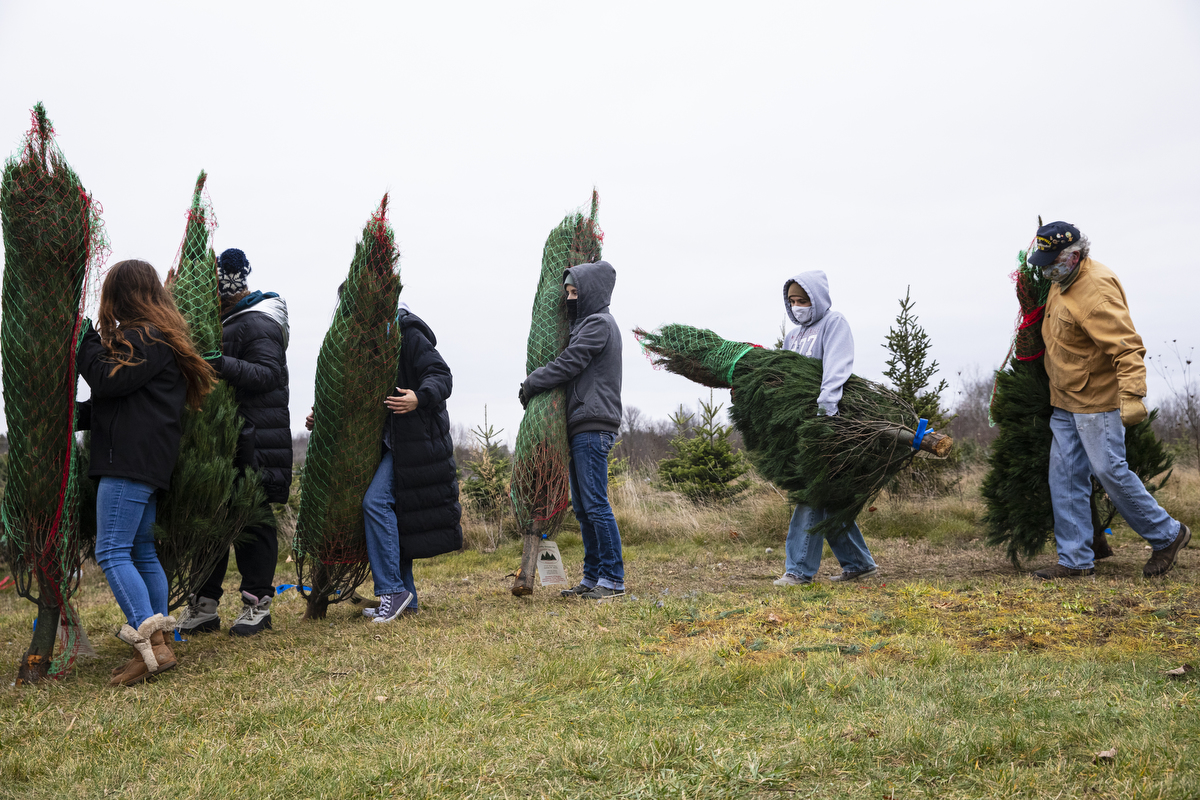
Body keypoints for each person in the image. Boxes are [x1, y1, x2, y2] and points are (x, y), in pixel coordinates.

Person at [76, 259, 216, 686]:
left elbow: (107, 379)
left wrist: (83, 339)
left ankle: (150, 646)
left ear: (125, 296)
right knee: (140, 551)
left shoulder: (144, 336)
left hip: (129, 462)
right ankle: (162, 645)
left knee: (112, 551)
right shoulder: (160, 338)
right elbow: (122, 401)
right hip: (147, 460)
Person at [1030, 221, 1190, 579]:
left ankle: (1168, 534)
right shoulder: (1061, 280)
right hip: (1065, 397)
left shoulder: (1095, 290)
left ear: (1073, 256)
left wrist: (1132, 395)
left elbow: (1128, 347)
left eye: (1051, 262)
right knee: (1065, 475)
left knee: (1109, 470)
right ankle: (1075, 559)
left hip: (1096, 399)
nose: (1045, 269)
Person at [306, 299, 462, 623]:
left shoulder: (407, 333)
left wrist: (419, 396)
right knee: (397, 516)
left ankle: (392, 591)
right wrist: (319, 415)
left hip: (417, 445)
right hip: (393, 446)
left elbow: (441, 375)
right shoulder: (366, 345)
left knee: (375, 503)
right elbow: (353, 393)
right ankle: (409, 600)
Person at [176, 248, 291, 636]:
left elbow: (267, 374)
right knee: (212, 517)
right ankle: (205, 606)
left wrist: (218, 363)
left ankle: (257, 604)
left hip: (256, 439)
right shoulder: (224, 322)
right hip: (224, 440)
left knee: (252, 521)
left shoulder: (258, 321)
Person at [519, 261, 625, 599]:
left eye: (575, 292)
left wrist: (533, 382)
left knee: (595, 504)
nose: (569, 298)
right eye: (567, 292)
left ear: (591, 292)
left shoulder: (598, 324)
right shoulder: (587, 324)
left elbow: (570, 363)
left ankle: (613, 580)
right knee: (582, 507)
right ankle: (592, 578)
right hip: (582, 423)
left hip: (593, 424)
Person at [772, 271, 879, 586]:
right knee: (828, 497)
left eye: (802, 300)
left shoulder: (834, 324)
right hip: (801, 424)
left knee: (812, 491)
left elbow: (837, 369)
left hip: (828, 421)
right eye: (792, 301)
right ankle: (859, 563)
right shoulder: (792, 336)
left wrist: (825, 412)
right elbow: (787, 377)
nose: (797, 307)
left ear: (816, 299)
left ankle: (798, 569)